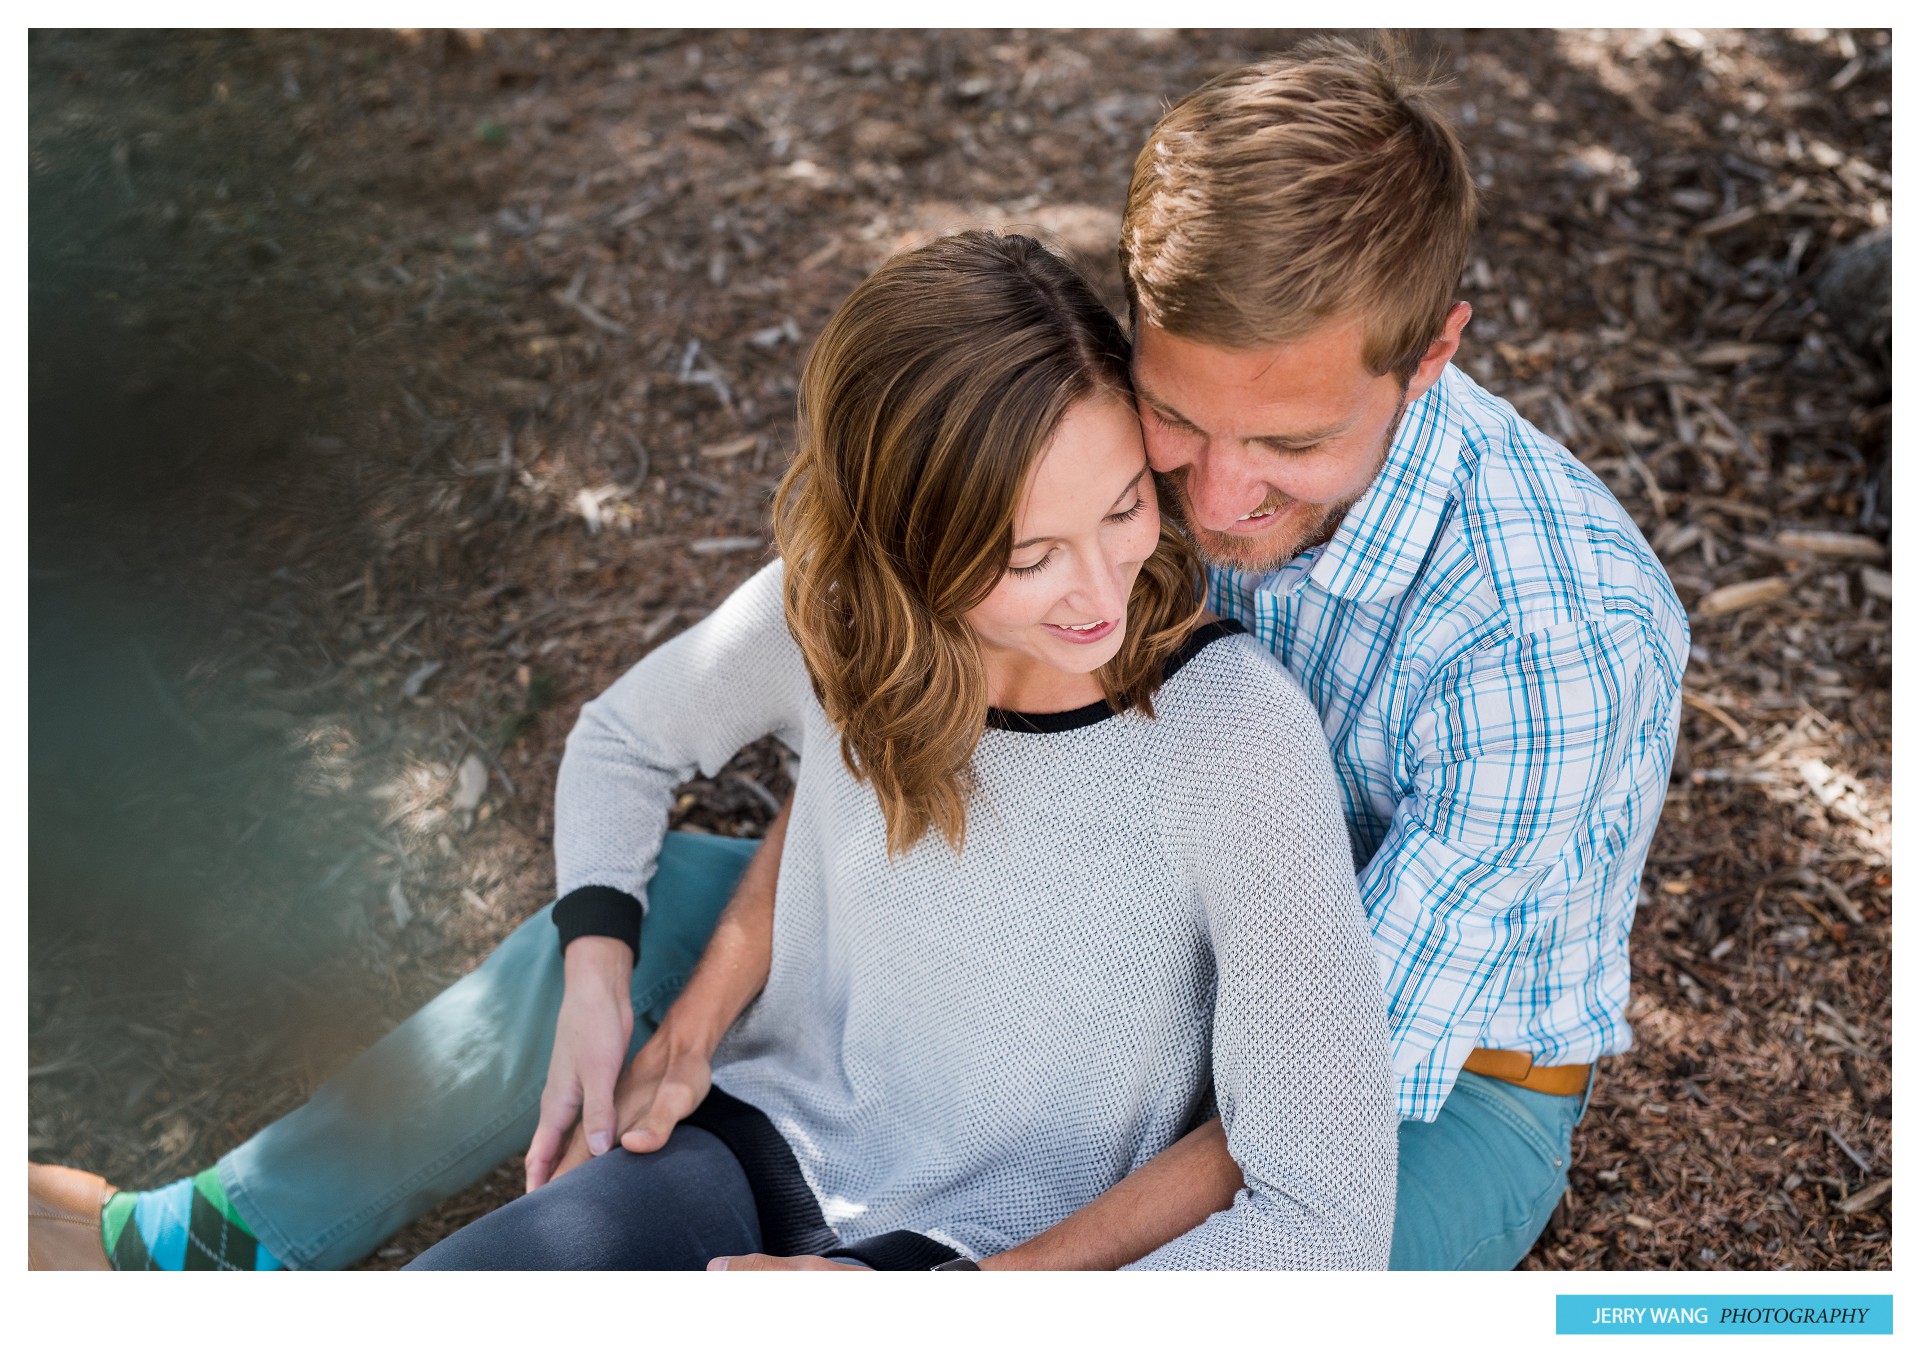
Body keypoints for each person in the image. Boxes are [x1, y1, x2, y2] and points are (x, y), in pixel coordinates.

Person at [29, 36, 1686, 1273]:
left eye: (1295, 447)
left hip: (1425, 1075)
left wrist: (971, 1286)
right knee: (663, 910)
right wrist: (707, 992)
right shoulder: (1099, 460)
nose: (1214, 497)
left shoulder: (1551, 641)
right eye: (1177, 423)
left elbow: (1314, 1111)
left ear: (1432, 352)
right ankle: (197, 1239)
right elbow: (900, 728)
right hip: (1092, 917)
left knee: (1269, 1281)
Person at [398, 229, 1392, 1269]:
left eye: (1124, 507)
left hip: (986, 1250)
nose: (1103, 589)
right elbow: (622, 738)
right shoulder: (837, 614)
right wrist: (598, 980)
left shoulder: (1235, 733)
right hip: (752, 1137)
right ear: (907, 547)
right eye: (1031, 557)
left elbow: (1324, 1227)